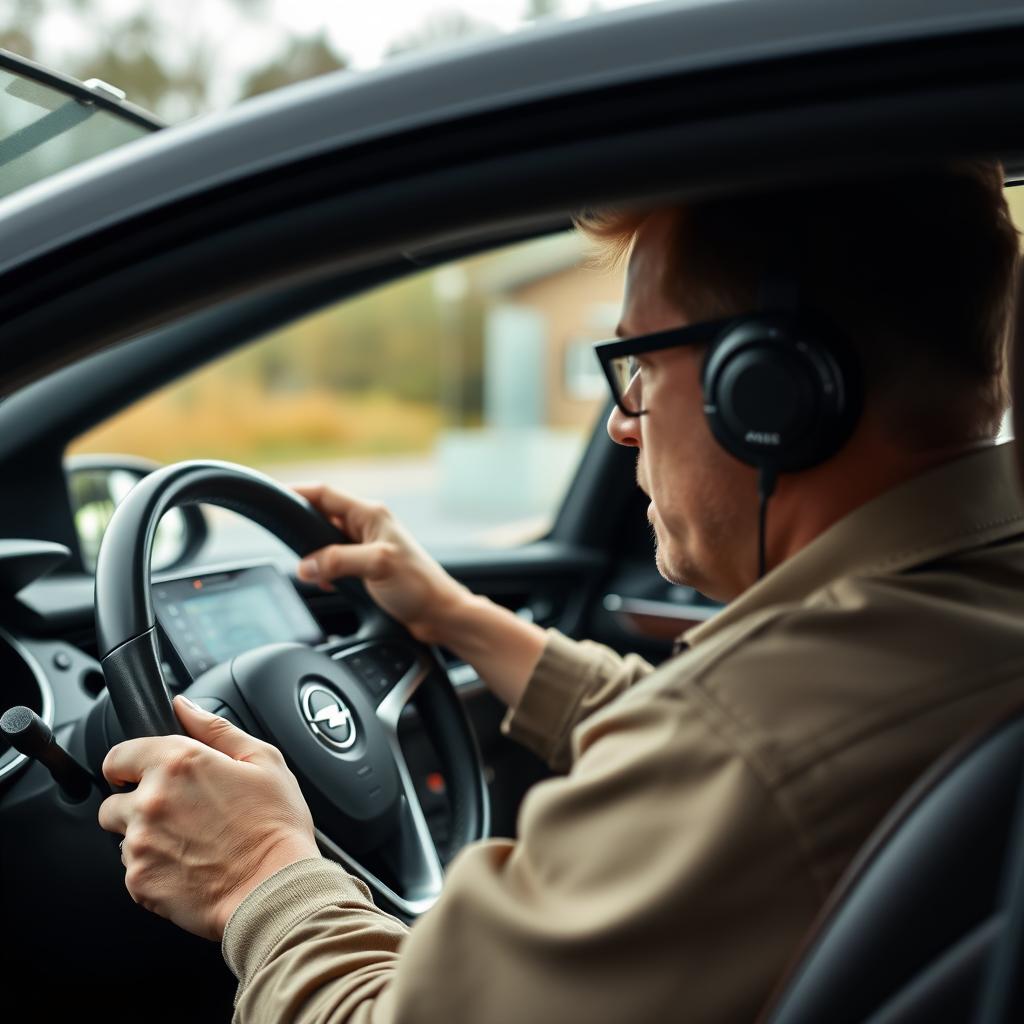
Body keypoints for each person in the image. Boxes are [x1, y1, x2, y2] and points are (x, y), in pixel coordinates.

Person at [99, 162, 1024, 1024]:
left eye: (641, 369)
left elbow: (727, 751)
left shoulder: (752, 744)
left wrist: (260, 871)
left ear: (771, 391)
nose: (623, 425)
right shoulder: (958, 612)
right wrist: (456, 618)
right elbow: (709, 748)